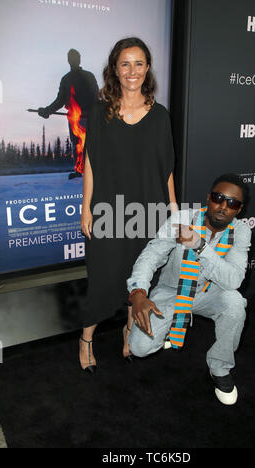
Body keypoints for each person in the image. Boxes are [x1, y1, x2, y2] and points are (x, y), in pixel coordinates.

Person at [80, 37, 177, 373]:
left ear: (147, 69)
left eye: (139, 63)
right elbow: (90, 162)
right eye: (125, 63)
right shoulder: (98, 113)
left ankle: (128, 329)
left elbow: (166, 169)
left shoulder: (160, 116)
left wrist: (174, 211)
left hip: (149, 211)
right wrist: (86, 206)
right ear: (115, 70)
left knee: (139, 277)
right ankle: (87, 338)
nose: (132, 70)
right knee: (104, 278)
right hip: (109, 210)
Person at [127, 174, 252, 405]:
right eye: (218, 198)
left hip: (210, 292)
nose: (223, 206)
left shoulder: (241, 232)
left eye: (232, 203)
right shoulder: (182, 220)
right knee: (139, 347)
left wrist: (200, 245)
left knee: (235, 303)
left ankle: (220, 367)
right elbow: (151, 255)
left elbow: (233, 280)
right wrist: (138, 292)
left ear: (240, 209)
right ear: (208, 197)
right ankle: (170, 325)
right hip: (172, 291)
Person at [38, 49, 99, 177]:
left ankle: (93, 171)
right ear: (68, 60)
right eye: (71, 58)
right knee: (76, 143)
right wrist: (47, 110)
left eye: (76, 57)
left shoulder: (88, 76)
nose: (73, 60)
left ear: (80, 59)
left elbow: (95, 96)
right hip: (73, 118)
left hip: (89, 116)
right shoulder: (66, 79)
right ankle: (79, 170)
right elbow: (60, 100)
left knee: (90, 143)